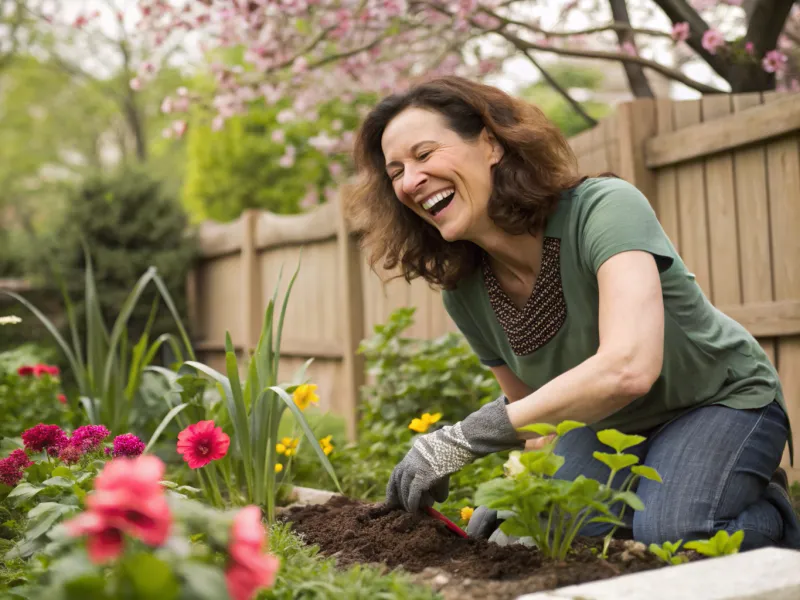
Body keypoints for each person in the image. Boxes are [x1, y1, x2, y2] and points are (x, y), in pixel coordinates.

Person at [342, 75, 800, 551]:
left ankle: (770, 517)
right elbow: (537, 419)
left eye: (424, 154)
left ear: (490, 144)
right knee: (547, 537)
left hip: (716, 398)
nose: (411, 180)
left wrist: (460, 440)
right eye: (395, 172)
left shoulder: (602, 210)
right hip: (609, 424)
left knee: (677, 535)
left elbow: (629, 368)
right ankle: (665, 491)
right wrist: (521, 495)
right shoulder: (465, 292)